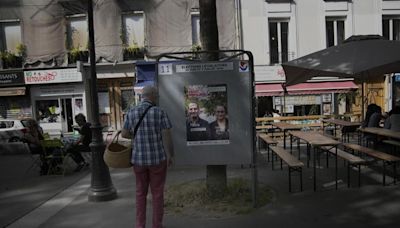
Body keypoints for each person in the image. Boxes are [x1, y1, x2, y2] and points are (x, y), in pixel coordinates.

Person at [121, 85, 174, 228]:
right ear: (152, 95)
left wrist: (136, 136)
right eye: (156, 95)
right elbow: (167, 135)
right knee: (157, 194)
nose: (157, 97)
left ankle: (140, 225)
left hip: (138, 160)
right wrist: (170, 154)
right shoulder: (160, 112)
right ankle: (157, 225)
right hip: (157, 159)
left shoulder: (131, 112)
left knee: (140, 193)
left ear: (143, 96)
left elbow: (124, 134)